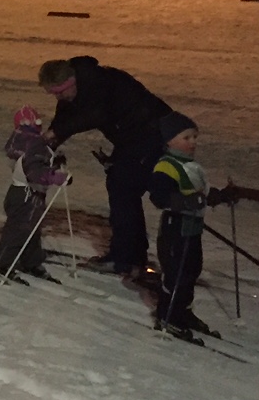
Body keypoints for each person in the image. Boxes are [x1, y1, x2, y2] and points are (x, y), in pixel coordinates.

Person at [38, 55, 173, 277]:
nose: (59, 98)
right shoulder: (76, 89)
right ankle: (131, 257)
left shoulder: (101, 83)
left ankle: (127, 259)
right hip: (132, 138)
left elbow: (94, 114)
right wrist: (48, 144)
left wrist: (57, 133)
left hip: (152, 134)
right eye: (54, 94)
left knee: (125, 188)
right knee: (122, 189)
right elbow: (64, 119)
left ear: (71, 80)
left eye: (60, 92)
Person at [148, 113, 236, 342]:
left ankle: (183, 312)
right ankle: (167, 315)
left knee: (191, 271)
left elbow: (202, 194)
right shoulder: (166, 166)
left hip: (192, 229)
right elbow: (159, 197)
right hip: (175, 228)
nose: (193, 142)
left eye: (194, 137)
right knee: (176, 274)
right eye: (186, 138)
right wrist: (185, 202)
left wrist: (222, 196)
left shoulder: (191, 166)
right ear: (169, 141)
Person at [0, 106, 68, 281]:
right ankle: (3, 262)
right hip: (27, 195)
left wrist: (54, 162)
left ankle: (30, 261)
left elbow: (33, 163)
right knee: (19, 230)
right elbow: (35, 172)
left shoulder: (22, 141)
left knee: (32, 229)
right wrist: (55, 177)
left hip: (21, 193)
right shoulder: (34, 144)